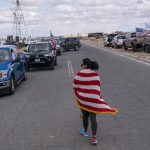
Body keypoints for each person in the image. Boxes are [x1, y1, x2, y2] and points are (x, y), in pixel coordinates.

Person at [73, 58, 118, 145]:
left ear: (85, 65)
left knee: (85, 116)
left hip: (83, 99)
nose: (81, 66)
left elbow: (75, 85)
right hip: (93, 99)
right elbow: (97, 87)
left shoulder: (79, 74)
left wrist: (80, 93)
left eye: (81, 64)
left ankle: (85, 131)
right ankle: (94, 138)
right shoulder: (95, 74)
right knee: (93, 118)